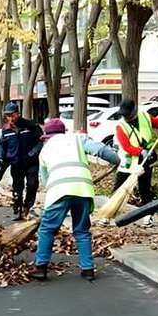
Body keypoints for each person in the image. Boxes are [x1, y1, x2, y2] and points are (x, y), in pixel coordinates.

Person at [28, 119, 120, 281]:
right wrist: (117, 160)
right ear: (63, 132)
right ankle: (88, 269)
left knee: (47, 229)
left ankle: (41, 267)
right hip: (83, 190)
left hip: (59, 191)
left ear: (46, 136)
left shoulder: (44, 151)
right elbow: (101, 150)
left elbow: (45, 180)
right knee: (82, 230)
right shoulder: (77, 139)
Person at [114, 99, 158, 227]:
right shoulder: (121, 126)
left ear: (134, 111)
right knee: (119, 188)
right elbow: (126, 146)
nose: (126, 117)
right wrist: (140, 151)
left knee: (144, 189)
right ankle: (109, 214)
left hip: (145, 159)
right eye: (124, 115)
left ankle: (148, 216)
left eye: (128, 114)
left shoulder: (145, 117)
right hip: (129, 162)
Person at [0, 102, 43, 221]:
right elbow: (2, 146)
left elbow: (40, 141)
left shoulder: (30, 125)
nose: (10, 118)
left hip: (31, 163)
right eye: (7, 116)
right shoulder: (6, 130)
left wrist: (33, 152)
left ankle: (28, 206)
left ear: (18, 114)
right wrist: (0, 157)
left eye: (12, 115)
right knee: (17, 188)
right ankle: (18, 209)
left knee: (32, 185)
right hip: (16, 164)